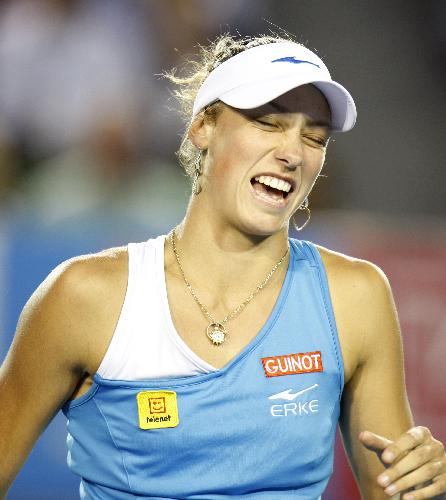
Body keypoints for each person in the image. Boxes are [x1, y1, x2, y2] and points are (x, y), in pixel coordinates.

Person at [1, 33, 445, 500]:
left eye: (314, 137)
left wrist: (424, 485)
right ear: (203, 127)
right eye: (269, 123)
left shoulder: (357, 295)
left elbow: (394, 492)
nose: (293, 153)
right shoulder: (83, 296)